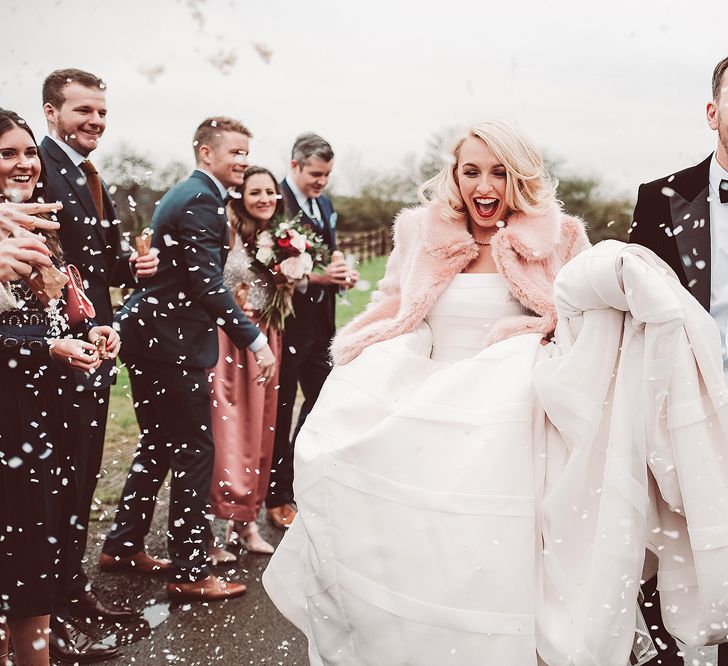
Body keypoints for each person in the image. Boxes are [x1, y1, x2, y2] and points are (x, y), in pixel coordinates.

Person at [263, 121, 728, 665]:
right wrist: (369, 349)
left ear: (520, 177)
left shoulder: (560, 236)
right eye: (471, 171)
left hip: (511, 433)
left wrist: (541, 333)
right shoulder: (419, 231)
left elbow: (577, 325)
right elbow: (395, 304)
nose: (485, 186)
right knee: (421, 550)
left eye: (500, 172)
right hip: (426, 420)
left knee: (498, 560)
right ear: (454, 176)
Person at [101, 117, 276, 602]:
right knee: (196, 452)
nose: (242, 160)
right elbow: (205, 284)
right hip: (170, 345)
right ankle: (191, 569)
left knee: (158, 443)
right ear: (206, 152)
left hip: (151, 338)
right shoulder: (200, 198)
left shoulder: (191, 193)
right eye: (235, 152)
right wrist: (254, 341)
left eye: (247, 152)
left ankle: (122, 545)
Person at [38, 68, 159, 644]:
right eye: (83, 110)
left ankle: (74, 595)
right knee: (58, 485)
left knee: (82, 479)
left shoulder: (89, 174)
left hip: (95, 348)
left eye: (102, 113)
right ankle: (50, 609)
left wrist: (131, 269)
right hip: (59, 356)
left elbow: (99, 267)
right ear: (50, 112)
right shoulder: (38, 169)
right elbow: (45, 274)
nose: (96, 122)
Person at [0, 109, 120, 666]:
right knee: (13, 560)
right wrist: (45, 348)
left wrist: (88, 329)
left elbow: (55, 313)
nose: (24, 163)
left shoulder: (41, 225)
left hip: (41, 413)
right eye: (7, 153)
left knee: (34, 559)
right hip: (7, 415)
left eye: (27, 152)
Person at [631, 55, 728, 666]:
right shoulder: (662, 199)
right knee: (683, 557)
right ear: (714, 112)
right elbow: (635, 314)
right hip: (687, 414)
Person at [265, 133, 358, 529]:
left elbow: (327, 257)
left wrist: (341, 277)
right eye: (316, 174)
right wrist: (320, 279)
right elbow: (269, 270)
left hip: (322, 325)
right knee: (281, 410)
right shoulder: (275, 204)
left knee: (323, 401)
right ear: (295, 166)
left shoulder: (325, 205)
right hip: (287, 325)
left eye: (327, 175)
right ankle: (276, 494)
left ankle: (302, 473)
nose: (322, 182)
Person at [207, 166, 288, 561]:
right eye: (255, 191)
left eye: (269, 192)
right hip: (230, 338)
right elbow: (211, 283)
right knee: (226, 433)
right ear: (240, 195)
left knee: (260, 430)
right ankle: (207, 530)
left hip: (267, 333)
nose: (264, 199)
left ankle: (246, 523)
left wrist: (292, 272)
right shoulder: (226, 230)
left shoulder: (277, 235)